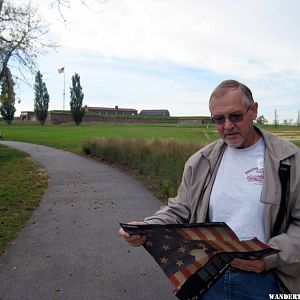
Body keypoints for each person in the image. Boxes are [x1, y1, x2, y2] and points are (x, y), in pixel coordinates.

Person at [118, 80, 300, 299]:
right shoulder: (201, 161)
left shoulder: (289, 160)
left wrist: (269, 259)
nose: (227, 126)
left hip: (268, 280)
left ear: (254, 110)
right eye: (218, 119)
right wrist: (148, 227)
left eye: (235, 116)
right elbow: (181, 208)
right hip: (210, 278)